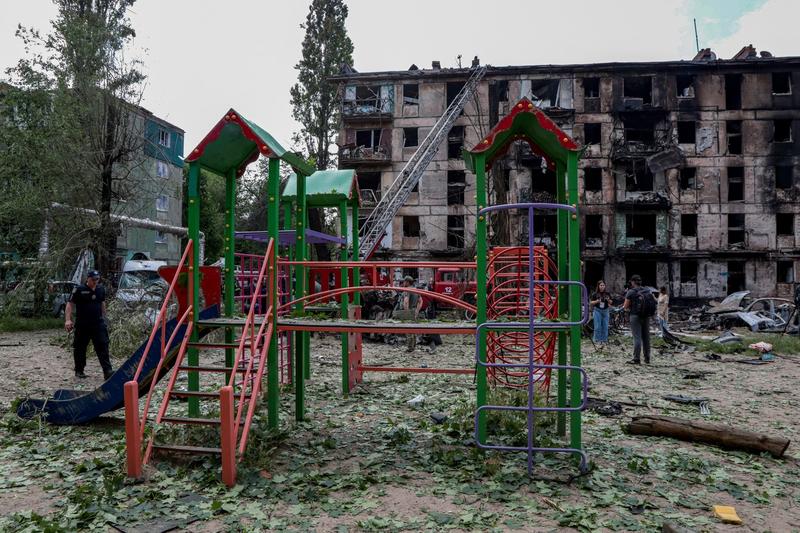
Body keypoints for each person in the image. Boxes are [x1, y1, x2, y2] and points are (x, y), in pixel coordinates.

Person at [65, 270, 114, 379]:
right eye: (93, 279)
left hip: (98, 323)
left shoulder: (101, 289)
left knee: (103, 345)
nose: (95, 281)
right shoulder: (79, 289)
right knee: (80, 347)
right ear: (88, 279)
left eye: (97, 279)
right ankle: (79, 370)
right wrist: (68, 320)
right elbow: (69, 305)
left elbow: (102, 304)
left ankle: (107, 371)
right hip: (83, 324)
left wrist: (106, 319)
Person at [623, 274, 653, 365]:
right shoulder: (647, 290)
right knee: (646, 338)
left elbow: (625, 306)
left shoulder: (631, 292)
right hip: (646, 316)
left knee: (637, 338)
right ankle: (647, 358)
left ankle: (636, 359)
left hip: (635, 316)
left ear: (632, 282)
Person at [395, 275, 419, 352]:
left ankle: (409, 348)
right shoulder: (416, 289)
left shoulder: (407, 290)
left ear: (407, 282)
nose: (403, 283)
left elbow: (406, 301)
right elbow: (420, 301)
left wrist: (406, 313)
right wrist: (417, 310)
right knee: (414, 330)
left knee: (408, 329)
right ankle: (413, 346)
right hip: (414, 310)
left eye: (404, 281)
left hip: (409, 310)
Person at [590, 280, 612, 344]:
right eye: (601, 285)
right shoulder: (595, 294)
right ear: (598, 286)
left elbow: (611, 302)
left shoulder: (607, 294)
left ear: (605, 286)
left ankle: (604, 340)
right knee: (597, 326)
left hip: (605, 310)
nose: (602, 286)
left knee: (605, 326)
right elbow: (591, 302)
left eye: (603, 285)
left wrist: (608, 300)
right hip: (597, 310)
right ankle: (597, 340)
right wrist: (597, 301)